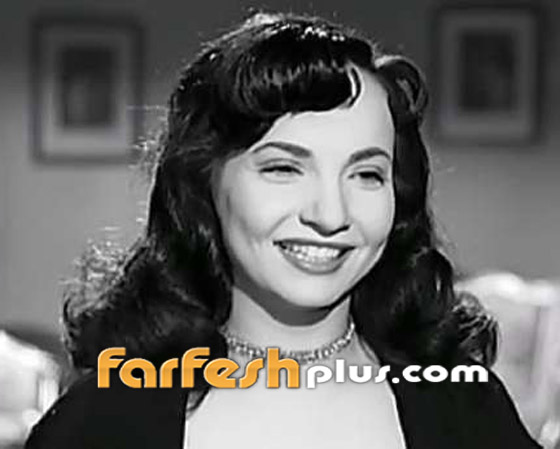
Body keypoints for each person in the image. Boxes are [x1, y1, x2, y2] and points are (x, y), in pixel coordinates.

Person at [26, 11, 541, 449]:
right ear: (205, 183)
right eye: (284, 168)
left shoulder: (464, 406)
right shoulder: (103, 421)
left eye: (366, 174)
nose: (331, 215)